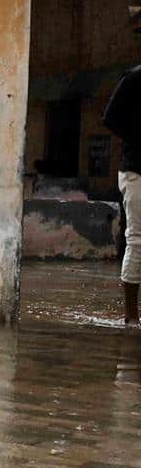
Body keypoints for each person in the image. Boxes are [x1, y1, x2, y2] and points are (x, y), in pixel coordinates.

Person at [104, 62, 141, 327]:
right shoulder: (133, 78)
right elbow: (110, 118)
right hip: (136, 171)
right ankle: (131, 316)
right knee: (137, 240)